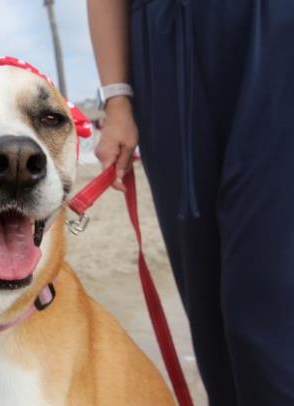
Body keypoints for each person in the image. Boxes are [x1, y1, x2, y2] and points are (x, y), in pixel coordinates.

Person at [87, 1, 294, 405]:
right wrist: (116, 100)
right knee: (206, 305)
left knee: (264, 300)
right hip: (162, 53)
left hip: (274, 34)